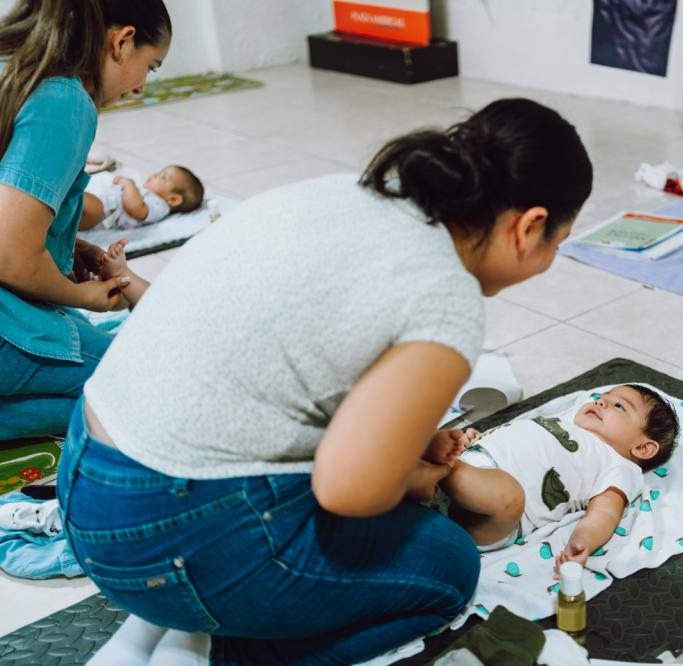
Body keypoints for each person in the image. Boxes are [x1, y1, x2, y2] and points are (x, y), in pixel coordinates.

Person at [57, 97, 594, 664]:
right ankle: (218, 652)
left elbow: (303, 367)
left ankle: (165, 625)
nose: (549, 258)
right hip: (168, 533)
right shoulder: (446, 301)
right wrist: (408, 477)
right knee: (449, 571)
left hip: (85, 477)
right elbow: (348, 493)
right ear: (529, 226)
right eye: (555, 245)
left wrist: (403, 441)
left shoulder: (350, 192)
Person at [0, 0, 172, 440]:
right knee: (145, 390)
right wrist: (83, 297)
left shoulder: (21, 74)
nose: (139, 88)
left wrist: (62, 244)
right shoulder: (65, 102)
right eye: (150, 67)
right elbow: (12, 258)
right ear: (122, 41)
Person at [436, 385, 678, 568]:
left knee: (505, 493)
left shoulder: (619, 466)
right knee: (453, 447)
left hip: (497, 514)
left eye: (619, 406)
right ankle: (438, 470)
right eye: (601, 398)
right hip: (474, 465)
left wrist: (584, 539)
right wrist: (476, 442)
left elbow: (605, 512)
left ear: (643, 448)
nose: (601, 402)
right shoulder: (561, 422)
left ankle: (437, 466)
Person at [80, 165, 204, 231]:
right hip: (94, 204)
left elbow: (135, 208)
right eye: (159, 172)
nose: (155, 174)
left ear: (174, 199)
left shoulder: (160, 205)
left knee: (92, 205)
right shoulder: (145, 192)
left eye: (163, 177)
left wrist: (128, 184)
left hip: (99, 216)